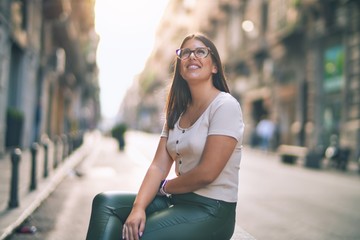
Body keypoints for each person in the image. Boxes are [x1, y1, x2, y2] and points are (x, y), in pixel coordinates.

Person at [86, 33, 245, 240]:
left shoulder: (225, 106)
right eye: (185, 53)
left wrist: (166, 187)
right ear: (180, 66)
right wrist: (138, 208)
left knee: (135, 236)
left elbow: (207, 173)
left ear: (214, 66)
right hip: (177, 202)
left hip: (212, 210)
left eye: (200, 52)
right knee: (105, 202)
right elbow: (158, 166)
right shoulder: (177, 111)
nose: (191, 57)